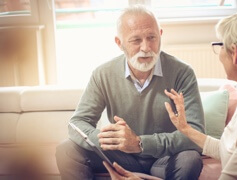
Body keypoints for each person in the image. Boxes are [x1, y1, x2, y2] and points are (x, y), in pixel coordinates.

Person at [103, 8, 237, 180]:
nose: (219, 53)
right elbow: (227, 150)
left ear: (235, 53)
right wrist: (186, 129)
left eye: (220, 45)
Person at [55, 4, 205, 180]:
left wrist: (140, 143)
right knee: (66, 150)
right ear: (119, 43)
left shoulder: (182, 72)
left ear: (161, 35)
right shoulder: (103, 74)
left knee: (190, 159)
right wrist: (109, 140)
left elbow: (196, 133)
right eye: (136, 40)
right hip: (121, 157)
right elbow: (77, 123)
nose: (146, 47)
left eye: (152, 37)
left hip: (164, 159)